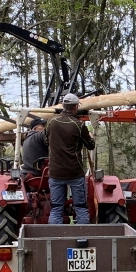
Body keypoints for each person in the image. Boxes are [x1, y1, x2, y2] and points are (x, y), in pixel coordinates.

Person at [45, 93, 95, 224]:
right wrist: (90, 135)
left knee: (56, 209)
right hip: (74, 172)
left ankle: (55, 241)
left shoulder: (51, 122)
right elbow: (90, 145)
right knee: (80, 208)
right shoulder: (79, 125)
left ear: (63, 105)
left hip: (55, 172)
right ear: (75, 107)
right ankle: (82, 237)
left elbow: (46, 141)